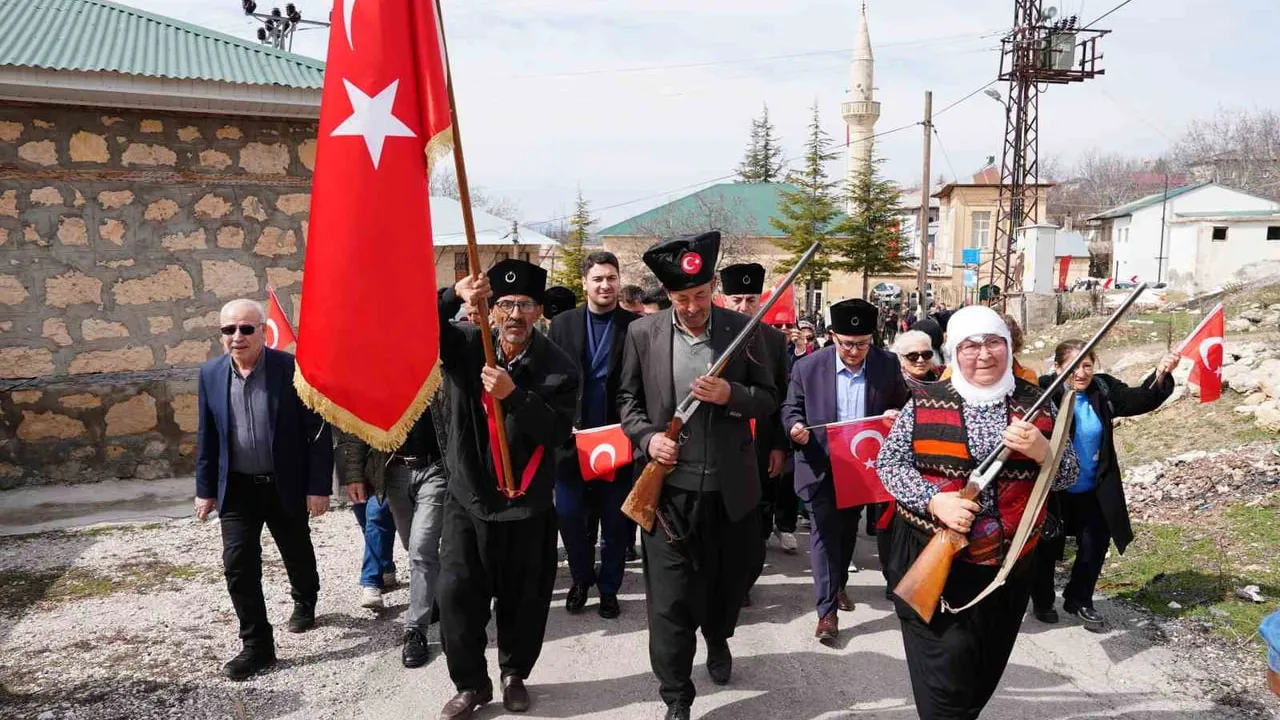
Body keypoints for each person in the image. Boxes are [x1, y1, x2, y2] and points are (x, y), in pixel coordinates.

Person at [878, 305, 1080, 720]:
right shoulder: (924, 402)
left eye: (994, 343)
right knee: (945, 682)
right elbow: (889, 465)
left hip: (1008, 569)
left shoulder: (1037, 404)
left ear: (1008, 347)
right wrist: (936, 501)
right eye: (971, 346)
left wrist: (1046, 453)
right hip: (934, 557)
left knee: (981, 675)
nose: (984, 355)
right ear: (953, 352)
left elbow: (1069, 475)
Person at [617, 231, 776, 720]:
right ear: (668, 295)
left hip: (730, 494)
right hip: (669, 496)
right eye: (682, 298)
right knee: (669, 605)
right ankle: (677, 696)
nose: (692, 307)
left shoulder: (744, 332)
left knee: (727, 587)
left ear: (714, 289)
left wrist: (732, 396)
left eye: (701, 296)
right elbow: (627, 404)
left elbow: (769, 399)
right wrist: (648, 440)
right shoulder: (642, 334)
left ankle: (719, 636)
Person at [434, 260, 579, 719]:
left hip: (529, 505)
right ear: (490, 310)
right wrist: (452, 295)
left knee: (526, 598)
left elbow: (558, 433)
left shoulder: (558, 365)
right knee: (458, 596)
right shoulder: (464, 346)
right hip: (470, 499)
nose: (515, 314)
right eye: (506, 305)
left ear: (539, 312)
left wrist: (514, 395)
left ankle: (515, 673)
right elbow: (418, 329)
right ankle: (471, 684)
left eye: (525, 305)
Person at [194, 298, 333, 680]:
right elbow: (207, 437)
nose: (236, 337)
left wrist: (318, 486)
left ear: (262, 332)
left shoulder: (290, 370)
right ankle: (257, 646)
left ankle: (305, 599)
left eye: (245, 329)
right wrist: (205, 489)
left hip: (283, 484)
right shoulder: (209, 374)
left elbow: (318, 433)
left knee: (296, 551)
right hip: (237, 490)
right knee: (237, 565)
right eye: (228, 330)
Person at [782, 299, 910, 645]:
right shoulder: (808, 367)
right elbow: (791, 407)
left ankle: (837, 584)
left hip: (862, 468)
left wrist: (896, 415)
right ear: (832, 336)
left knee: (847, 531)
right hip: (820, 463)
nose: (854, 351)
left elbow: (904, 404)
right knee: (824, 535)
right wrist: (795, 426)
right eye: (847, 343)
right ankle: (827, 613)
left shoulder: (886, 366)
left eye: (863, 344)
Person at [1029, 340, 1179, 630]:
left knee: (1094, 543)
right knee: (1045, 546)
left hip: (1093, 487)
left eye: (1087, 365)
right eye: (1073, 366)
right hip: (1053, 490)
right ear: (1058, 367)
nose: (1081, 373)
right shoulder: (1044, 391)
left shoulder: (1103, 389)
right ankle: (1043, 600)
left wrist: (1160, 373)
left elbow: (1140, 399)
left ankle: (1079, 599)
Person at [548, 251, 640, 619]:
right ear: (584, 282)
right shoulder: (564, 324)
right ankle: (581, 579)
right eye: (598, 279)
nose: (605, 285)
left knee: (617, 523)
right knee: (570, 517)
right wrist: (560, 420)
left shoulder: (634, 326)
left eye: (611, 278)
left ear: (619, 281)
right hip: (573, 443)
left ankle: (609, 587)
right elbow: (551, 382)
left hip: (618, 442)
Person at [334, 394, 449, 668]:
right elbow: (357, 422)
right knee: (414, 545)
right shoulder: (379, 370)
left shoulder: (438, 365)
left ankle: (415, 630)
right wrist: (354, 475)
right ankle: (437, 594)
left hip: (435, 469)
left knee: (421, 548)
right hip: (394, 472)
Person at [719, 263, 797, 587]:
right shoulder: (712, 336)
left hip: (762, 443)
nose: (744, 307)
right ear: (723, 300)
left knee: (760, 513)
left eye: (751, 300)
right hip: (724, 444)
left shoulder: (773, 340)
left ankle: (747, 575)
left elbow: (782, 394)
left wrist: (779, 445)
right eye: (736, 299)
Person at [349, 488, 397, 608]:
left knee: (377, 515)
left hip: (384, 474)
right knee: (365, 515)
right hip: (361, 474)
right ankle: (385, 566)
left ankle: (372, 581)